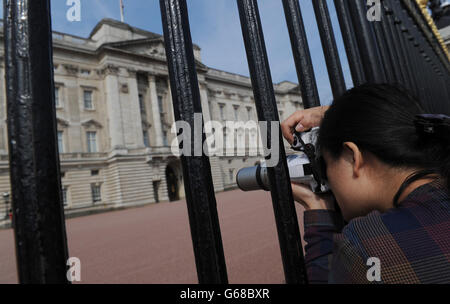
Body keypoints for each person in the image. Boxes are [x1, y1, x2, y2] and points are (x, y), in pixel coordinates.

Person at [281, 83, 450, 284]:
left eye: (325, 163)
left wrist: (317, 208)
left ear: (354, 157)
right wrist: (341, 117)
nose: (326, 177)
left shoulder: (366, 243)